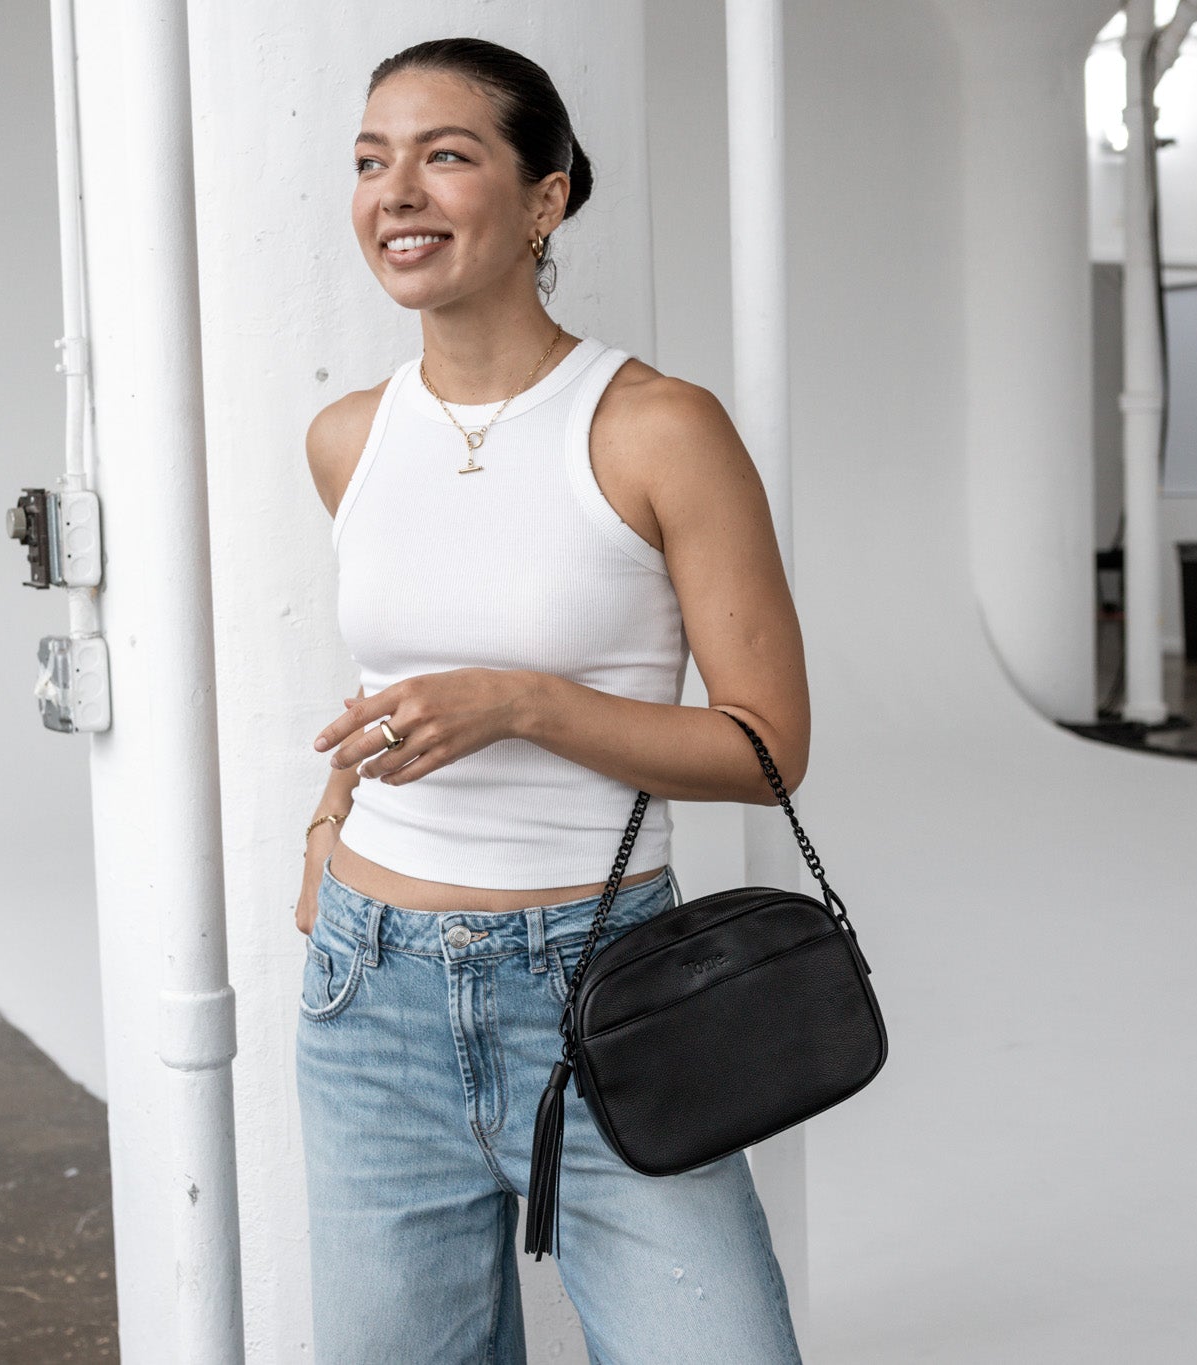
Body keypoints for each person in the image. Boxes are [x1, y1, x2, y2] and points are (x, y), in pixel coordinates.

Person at [296, 36, 811, 1364]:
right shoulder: (348, 438)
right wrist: (324, 830)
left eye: (446, 154)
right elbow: (385, 678)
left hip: (606, 986)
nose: (395, 191)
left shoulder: (658, 427)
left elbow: (766, 746)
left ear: (547, 197)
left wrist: (528, 704)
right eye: (370, 160)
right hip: (373, 995)